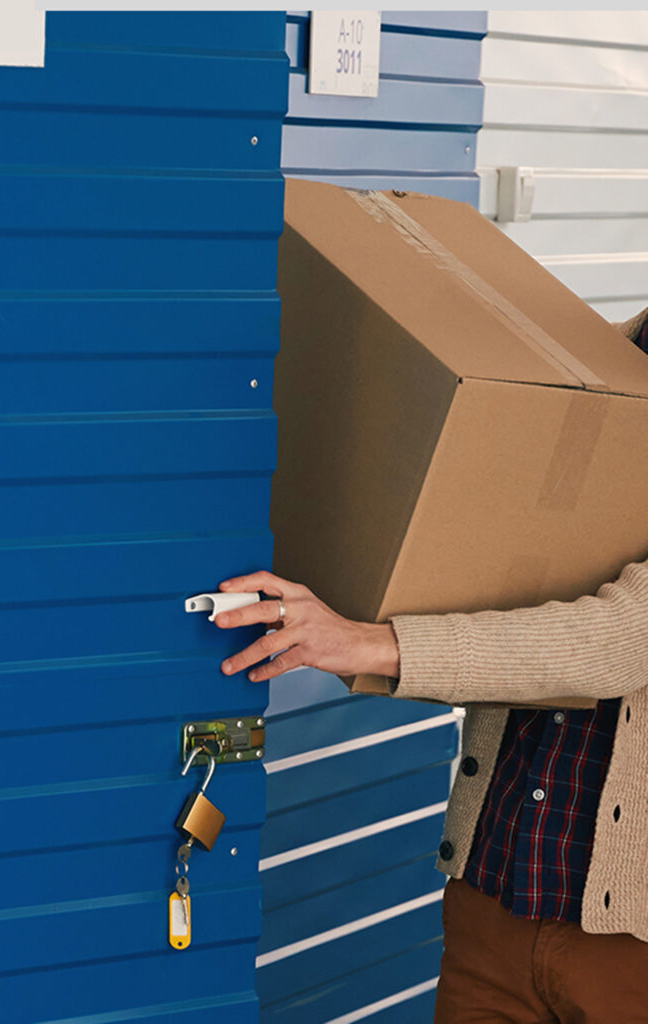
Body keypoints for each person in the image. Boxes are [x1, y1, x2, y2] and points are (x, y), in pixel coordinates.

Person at [215, 308, 648, 1024]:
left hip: (629, 939)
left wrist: (368, 642)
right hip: (493, 897)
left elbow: (617, 642)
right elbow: (491, 574)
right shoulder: (583, 364)